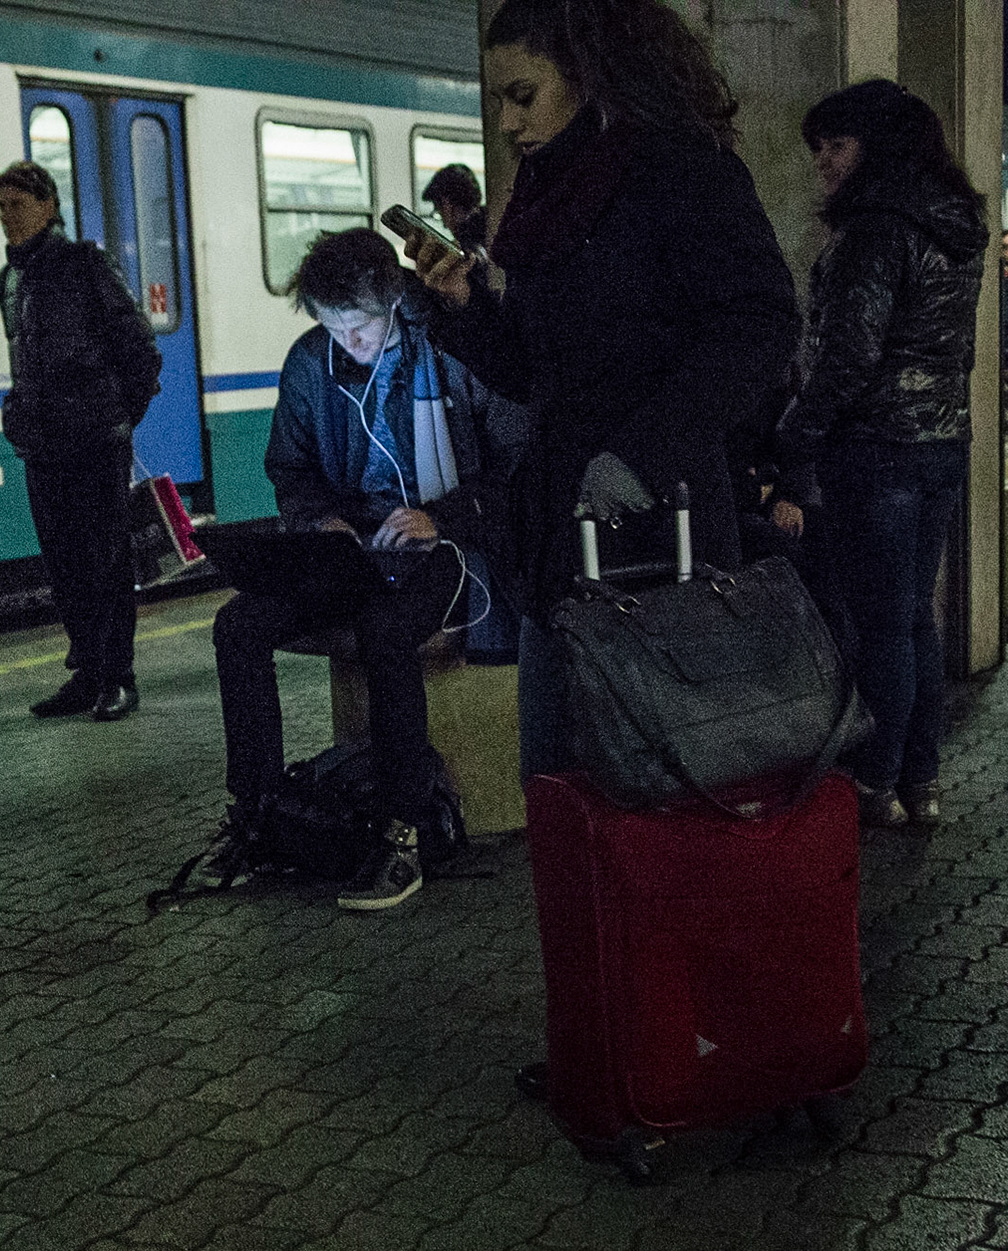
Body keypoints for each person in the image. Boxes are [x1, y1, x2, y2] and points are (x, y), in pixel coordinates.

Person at [405, 0, 801, 785]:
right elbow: (534, 371)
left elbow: (761, 323)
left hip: (663, 534)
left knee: (659, 787)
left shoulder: (682, 169)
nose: (510, 124)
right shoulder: (550, 193)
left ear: (588, 76)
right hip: (559, 540)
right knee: (556, 783)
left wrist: (638, 456)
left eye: (524, 95)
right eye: (500, 102)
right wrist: (464, 307)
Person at [211, 229, 522, 910]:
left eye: (358, 327)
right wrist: (319, 521)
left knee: (387, 630)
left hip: (448, 544)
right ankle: (257, 812)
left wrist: (445, 518)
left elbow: (516, 464)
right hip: (351, 543)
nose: (345, 343)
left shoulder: (446, 351)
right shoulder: (310, 363)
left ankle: (402, 831)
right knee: (238, 625)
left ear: (394, 305)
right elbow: (290, 468)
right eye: (331, 328)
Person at [777, 80, 989, 830]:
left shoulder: (875, 226)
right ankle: (921, 780)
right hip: (940, 443)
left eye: (836, 145)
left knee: (882, 626)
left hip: (878, 449)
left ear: (878, 145)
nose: (823, 163)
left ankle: (874, 783)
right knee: (916, 620)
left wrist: (795, 434)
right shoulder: (953, 222)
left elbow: (850, 353)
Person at [0, 161, 163, 721]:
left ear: (48, 206)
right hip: (43, 444)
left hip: (92, 441)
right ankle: (87, 673)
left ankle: (118, 677)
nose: (7, 219)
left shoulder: (86, 264)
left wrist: (116, 418)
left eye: (16, 205)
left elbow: (140, 350)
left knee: (105, 561)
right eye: (0, 208)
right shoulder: (9, 279)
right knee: (63, 563)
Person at [420, 163, 488, 257]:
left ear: (446, 205)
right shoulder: (493, 222)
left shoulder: (465, 248)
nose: (445, 225)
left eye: (439, 212)